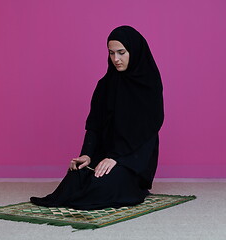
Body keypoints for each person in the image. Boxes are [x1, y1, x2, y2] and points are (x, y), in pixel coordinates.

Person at [30, 25, 164, 210]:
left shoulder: (149, 85)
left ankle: (126, 182)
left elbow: (147, 134)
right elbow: (94, 125)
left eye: (121, 52)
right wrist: (86, 154)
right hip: (106, 154)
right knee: (77, 176)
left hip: (134, 160)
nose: (116, 59)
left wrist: (118, 159)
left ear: (134, 51)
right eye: (111, 53)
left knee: (103, 185)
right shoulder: (105, 85)